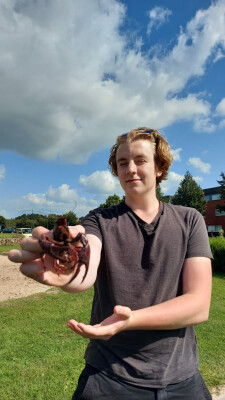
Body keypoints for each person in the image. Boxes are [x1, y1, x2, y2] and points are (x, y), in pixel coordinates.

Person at [8, 127, 213, 400]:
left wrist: (131, 320)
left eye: (140, 160)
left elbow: (198, 305)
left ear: (160, 167)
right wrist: (68, 269)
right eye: (122, 163)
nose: (130, 169)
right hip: (109, 376)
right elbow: (86, 266)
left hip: (181, 378)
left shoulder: (190, 219)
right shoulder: (99, 220)